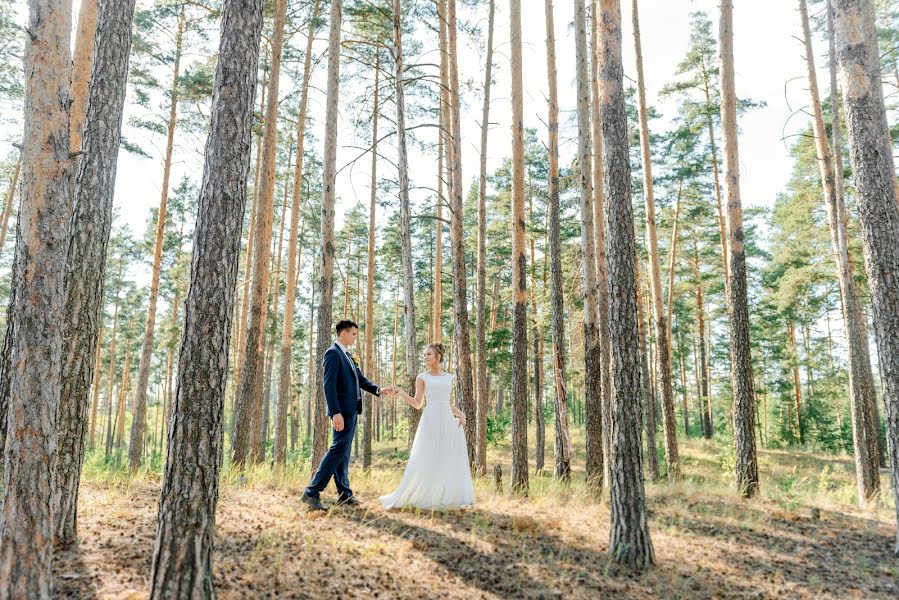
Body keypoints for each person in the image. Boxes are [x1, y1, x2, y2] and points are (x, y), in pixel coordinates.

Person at [301, 319, 398, 512]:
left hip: (352, 411)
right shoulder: (333, 354)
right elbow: (328, 386)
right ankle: (311, 492)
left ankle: (344, 494)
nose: (355, 337)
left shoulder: (348, 355)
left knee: (343, 453)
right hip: (341, 413)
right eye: (353, 334)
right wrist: (335, 412)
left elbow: (360, 380)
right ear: (343, 333)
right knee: (337, 450)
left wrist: (380, 389)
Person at [379, 343, 475, 510]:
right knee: (428, 454)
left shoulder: (448, 377)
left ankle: (444, 494)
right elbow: (417, 403)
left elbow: (446, 403)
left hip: (445, 418)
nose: (425, 357)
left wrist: (461, 414)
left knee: (445, 455)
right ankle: (426, 494)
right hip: (430, 419)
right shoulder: (422, 377)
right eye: (424, 354)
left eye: (428, 354)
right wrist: (402, 393)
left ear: (438, 356)